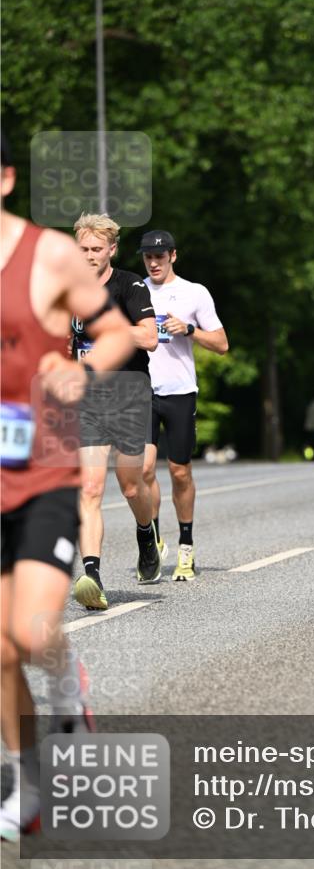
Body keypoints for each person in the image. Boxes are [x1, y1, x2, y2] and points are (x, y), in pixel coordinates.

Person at [1, 138, 133, 840]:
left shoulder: (47, 255)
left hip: (41, 464)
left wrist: (83, 374)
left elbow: (112, 332)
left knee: (28, 629)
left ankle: (63, 690)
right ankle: (28, 781)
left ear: (6, 178)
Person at [71, 214, 159, 611]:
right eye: (83, 249)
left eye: (95, 249)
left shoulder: (130, 285)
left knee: (130, 484)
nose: (88, 256)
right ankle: (92, 575)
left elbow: (150, 338)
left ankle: (146, 530)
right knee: (89, 489)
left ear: (111, 250)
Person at [139, 230, 229, 582]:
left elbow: (222, 344)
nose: (154, 262)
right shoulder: (136, 290)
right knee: (144, 470)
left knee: (179, 472)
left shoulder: (194, 293)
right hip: (142, 390)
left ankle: (186, 545)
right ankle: (154, 541)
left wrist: (189, 329)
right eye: (148, 256)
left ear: (173, 256)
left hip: (179, 392)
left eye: (160, 256)